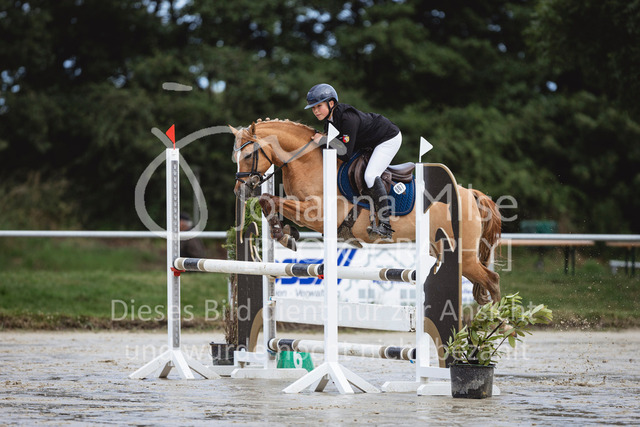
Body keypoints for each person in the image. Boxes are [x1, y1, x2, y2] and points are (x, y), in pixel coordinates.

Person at [305, 83, 402, 240]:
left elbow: (344, 153)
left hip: (387, 138)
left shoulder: (347, 118)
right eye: (313, 108)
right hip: (368, 142)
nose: (315, 111)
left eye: (319, 106)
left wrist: (323, 140)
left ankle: (385, 225)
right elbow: (333, 149)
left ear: (331, 103)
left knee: (370, 175)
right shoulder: (330, 122)